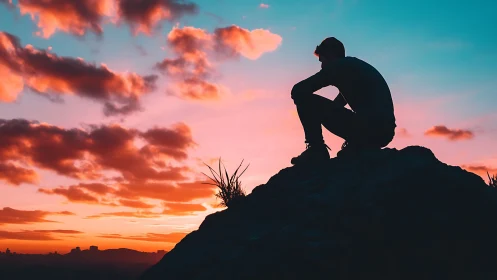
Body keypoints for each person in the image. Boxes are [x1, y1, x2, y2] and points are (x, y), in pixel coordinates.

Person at [290, 37, 396, 165]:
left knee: (302, 96)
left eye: (322, 60)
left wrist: (315, 112)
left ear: (330, 55)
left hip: (370, 129)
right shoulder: (352, 67)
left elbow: (298, 90)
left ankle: (316, 150)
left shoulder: (338, 66)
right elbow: (337, 105)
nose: (322, 66)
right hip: (383, 133)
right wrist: (324, 114)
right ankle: (357, 146)